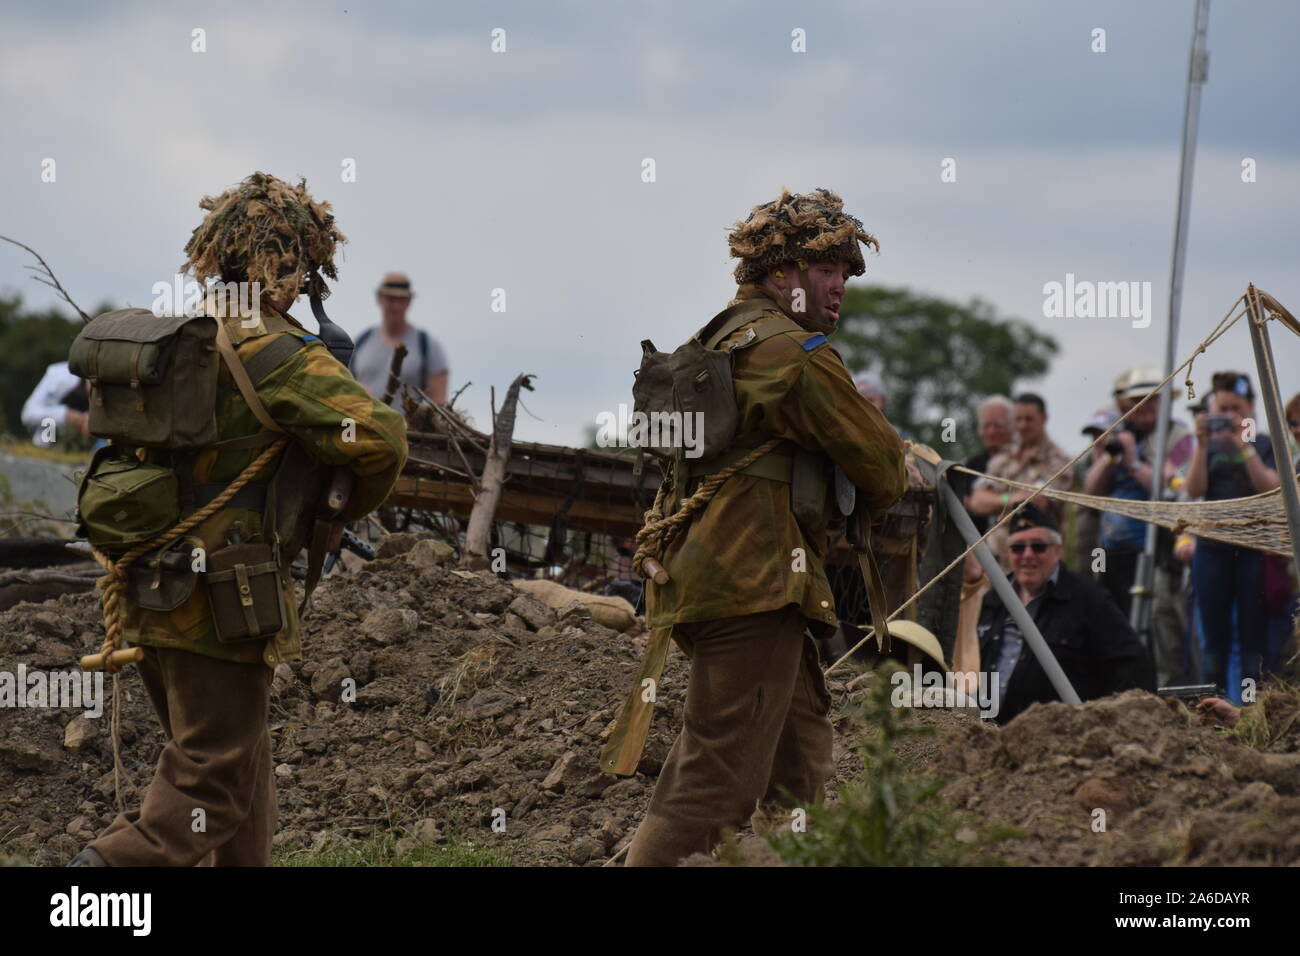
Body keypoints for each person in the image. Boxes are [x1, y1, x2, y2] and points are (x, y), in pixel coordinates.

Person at [70, 173, 407, 867]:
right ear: (292, 264)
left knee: (240, 775)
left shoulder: (177, 341)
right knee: (209, 789)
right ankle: (89, 886)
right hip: (224, 603)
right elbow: (381, 438)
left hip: (149, 590)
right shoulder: (272, 349)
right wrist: (335, 512)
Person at [622, 187, 906, 866]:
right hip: (754, 585)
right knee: (716, 781)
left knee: (799, 767)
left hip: (720, 582)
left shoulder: (717, 334)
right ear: (782, 274)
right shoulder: (796, 354)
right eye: (828, 269)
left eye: (846, 272)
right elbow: (884, 466)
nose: (840, 285)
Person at [976, 504, 1154, 723]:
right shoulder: (993, 601)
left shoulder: (1087, 597)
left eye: (1039, 547)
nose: (1027, 555)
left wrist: (1112, 724)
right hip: (988, 731)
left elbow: (1132, 664)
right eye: (1018, 548)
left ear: (1058, 550)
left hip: (1061, 734)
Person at [1183, 371, 1280, 699]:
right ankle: (1212, 708)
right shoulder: (1207, 447)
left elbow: (1271, 487)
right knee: (1214, 641)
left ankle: (1249, 709)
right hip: (1211, 549)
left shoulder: (1265, 443)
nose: (1228, 416)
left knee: (1252, 640)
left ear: (1251, 407)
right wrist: (1200, 444)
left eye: (1235, 408)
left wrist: (1243, 445)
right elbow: (1193, 489)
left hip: (1253, 549)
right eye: (1221, 409)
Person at [1083, 366, 1194, 620]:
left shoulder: (1179, 437)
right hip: (1109, 550)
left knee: (1154, 620)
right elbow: (1091, 492)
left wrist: (1133, 463)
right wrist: (1110, 456)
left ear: (1164, 401)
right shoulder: (1119, 434)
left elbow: (1174, 492)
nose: (1142, 406)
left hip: (1158, 551)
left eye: (1151, 399)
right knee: (1108, 616)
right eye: (1136, 400)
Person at [966, 392, 1072, 566]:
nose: (1023, 425)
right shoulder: (1004, 457)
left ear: (1043, 419)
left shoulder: (1058, 460)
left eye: (1029, 419)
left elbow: (1036, 503)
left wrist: (996, 501)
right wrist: (1010, 499)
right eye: (1018, 420)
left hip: (1037, 562)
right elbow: (977, 501)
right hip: (996, 561)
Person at [348, 272, 450, 407]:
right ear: (379, 299)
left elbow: (439, 402)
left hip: (408, 427)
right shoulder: (360, 342)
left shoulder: (428, 346)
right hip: (364, 425)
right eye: (390, 299)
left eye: (401, 300)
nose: (396, 306)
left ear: (409, 302)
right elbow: (344, 387)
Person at [20, 361, 87, 446]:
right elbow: (28, 414)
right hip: (49, 445)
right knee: (50, 421)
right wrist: (65, 415)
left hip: (90, 451)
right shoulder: (61, 376)